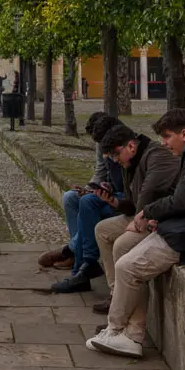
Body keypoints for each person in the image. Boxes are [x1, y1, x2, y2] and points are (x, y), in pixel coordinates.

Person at [87, 109, 185, 359]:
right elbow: (179, 198)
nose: (164, 142)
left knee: (127, 266)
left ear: (184, 133)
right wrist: (154, 214)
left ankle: (119, 330)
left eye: (168, 136)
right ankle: (128, 333)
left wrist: (149, 212)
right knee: (125, 258)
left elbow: (183, 200)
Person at [91, 119, 182, 318]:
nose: (115, 160)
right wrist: (113, 201)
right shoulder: (130, 163)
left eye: (115, 154)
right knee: (102, 229)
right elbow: (131, 203)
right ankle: (117, 295)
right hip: (142, 215)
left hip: (158, 218)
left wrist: (138, 219)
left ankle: (125, 316)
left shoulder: (156, 155)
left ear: (131, 146)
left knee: (123, 244)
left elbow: (150, 192)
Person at [45, 112, 125, 294]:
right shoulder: (102, 145)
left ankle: (76, 257)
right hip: (107, 192)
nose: (103, 152)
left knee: (88, 204)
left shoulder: (125, 147)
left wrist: (105, 191)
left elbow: (127, 186)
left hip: (119, 199)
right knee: (71, 197)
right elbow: (101, 171)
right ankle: (77, 256)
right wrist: (89, 187)